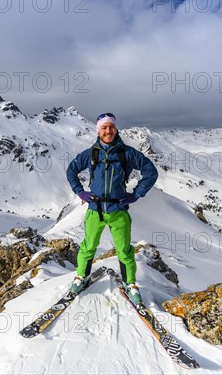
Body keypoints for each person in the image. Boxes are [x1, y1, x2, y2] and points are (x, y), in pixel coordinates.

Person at [66, 112, 159, 305]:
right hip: (95, 209)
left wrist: (136, 194)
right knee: (88, 247)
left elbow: (151, 172)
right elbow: (71, 170)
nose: (108, 131)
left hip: (118, 210)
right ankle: (81, 277)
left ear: (116, 129)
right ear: (98, 130)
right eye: (104, 127)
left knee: (124, 250)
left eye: (111, 127)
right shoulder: (91, 153)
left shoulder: (126, 153)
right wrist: (80, 192)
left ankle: (130, 283)